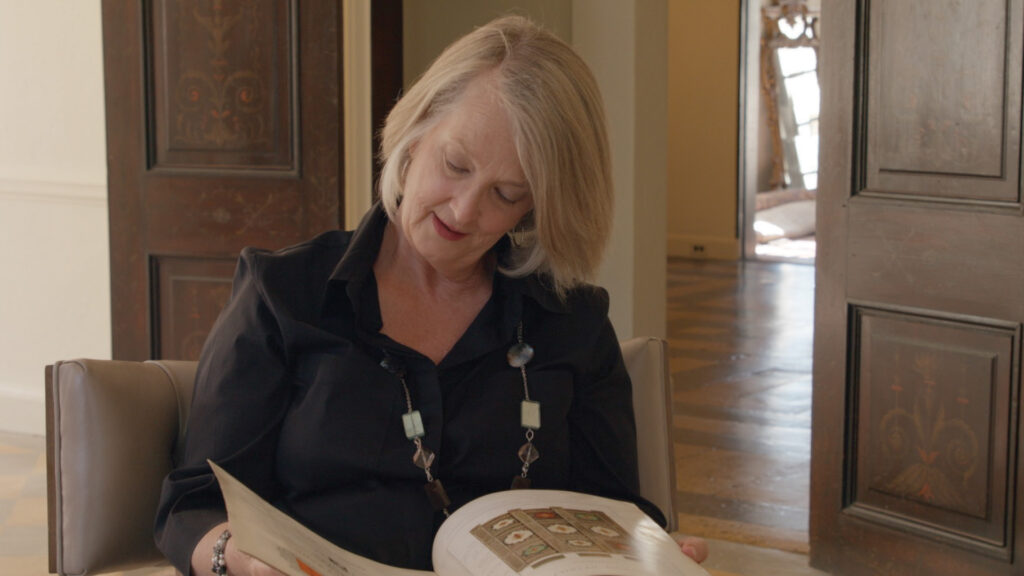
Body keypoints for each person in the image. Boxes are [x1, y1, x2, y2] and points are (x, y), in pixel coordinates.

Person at [154, 15, 707, 575]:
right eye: (455, 165)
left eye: (506, 193)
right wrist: (240, 561)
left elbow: (612, 512)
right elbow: (194, 503)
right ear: (416, 133)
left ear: (535, 206)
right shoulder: (285, 296)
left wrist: (652, 550)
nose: (465, 210)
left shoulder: (571, 322)